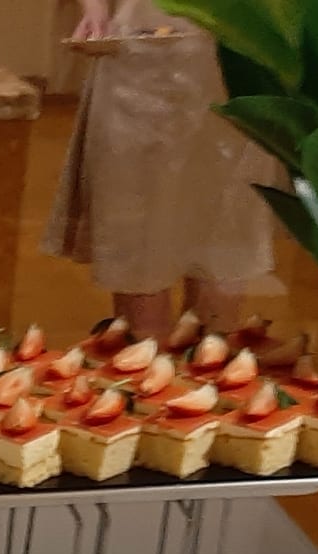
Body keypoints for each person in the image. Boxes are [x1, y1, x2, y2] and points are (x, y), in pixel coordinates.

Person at [45, 0, 278, 343]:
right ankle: (143, 349)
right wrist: (94, 11)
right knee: (138, 220)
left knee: (227, 220)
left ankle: (214, 351)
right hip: (142, 54)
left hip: (241, 50)